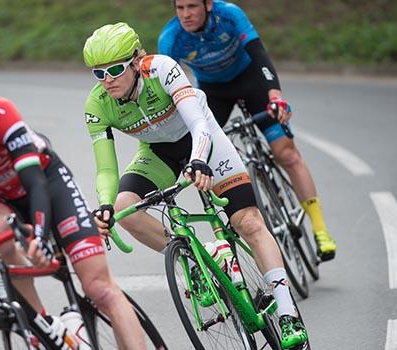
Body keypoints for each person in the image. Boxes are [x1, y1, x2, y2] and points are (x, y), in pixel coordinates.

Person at [83, 22, 308, 348]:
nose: (108, 80)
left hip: (204, 141)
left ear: (136, 60)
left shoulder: (162, 69)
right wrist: (104, 205)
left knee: (248, 221)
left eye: (115, 69)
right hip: (158, 153)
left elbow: (198, 122)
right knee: (122, 207)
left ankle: (287, 312)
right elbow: (106, 167)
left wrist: (199, 159)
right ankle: (194, 263)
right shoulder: (97, 104)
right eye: (98, 73)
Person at [0, 49, 146, 349]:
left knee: (100, 289)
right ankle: (45, 323)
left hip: (48, 185)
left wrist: (41, 237)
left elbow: (36, 183)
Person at [158, 0, 337, 262]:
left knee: (286, 153)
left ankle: (321, 230)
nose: (186, 14)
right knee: (204, 153)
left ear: (208, 5)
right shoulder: (171, 38)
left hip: (251, 80)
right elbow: (168, 89)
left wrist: (275, 94)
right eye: (180, 8)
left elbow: (259, 54)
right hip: (213, 92)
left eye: (192, 6)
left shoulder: (229, 14)